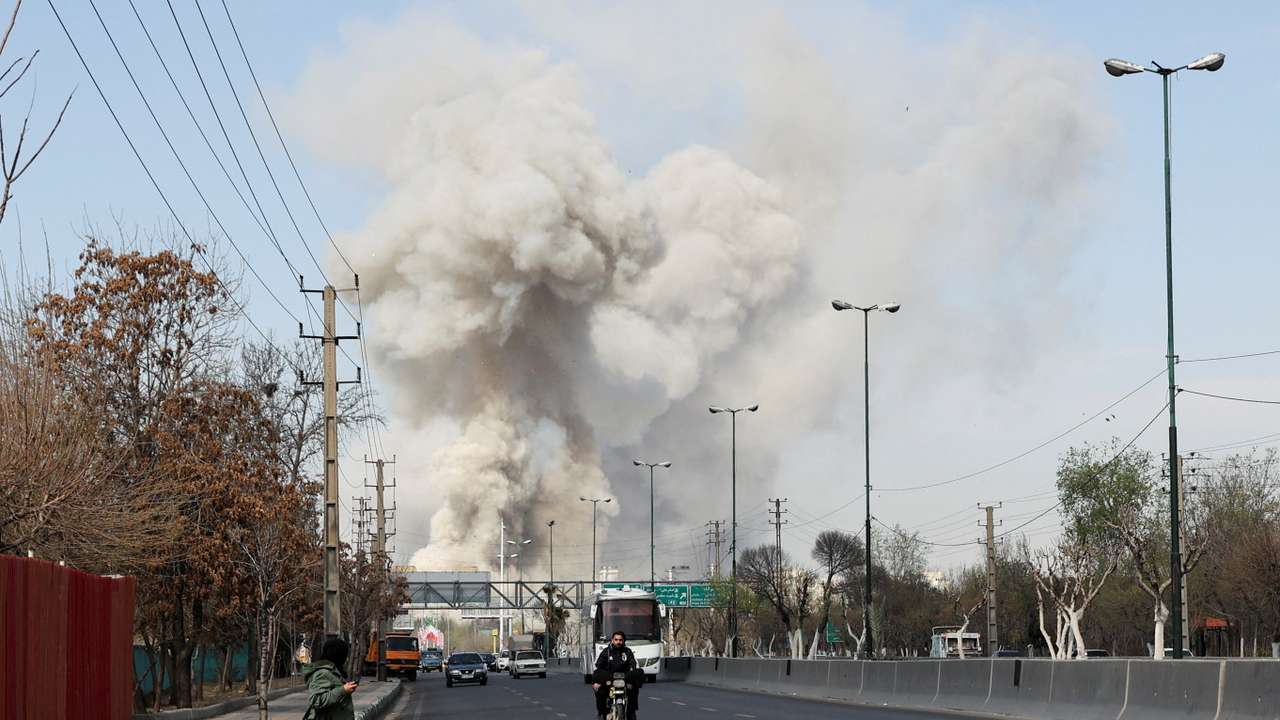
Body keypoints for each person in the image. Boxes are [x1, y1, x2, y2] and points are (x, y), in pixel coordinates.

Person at [302, 637, 359, 720]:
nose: (346, 659)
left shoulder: (333, 671)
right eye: (345, 655)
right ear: (337, 655)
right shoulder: (323, 673)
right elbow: (316, 700)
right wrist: (343, 690)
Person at [591, 631, 643, 719]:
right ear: (612, 640)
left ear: (624, 641)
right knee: (599, 688)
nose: (618, 642)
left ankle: (631, 711)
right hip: (609, 678)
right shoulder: (606, 652)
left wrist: (634, 679)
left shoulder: (627, 651)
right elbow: (599, 665)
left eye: (620, 640)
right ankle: (604, 712)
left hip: (625, 678)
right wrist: (597, 681)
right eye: (616, 640)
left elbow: (632, 664)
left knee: (637, 677)